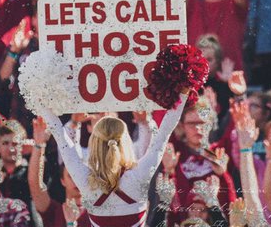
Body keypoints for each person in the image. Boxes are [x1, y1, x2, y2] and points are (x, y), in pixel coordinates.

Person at [40, 93, 190, 225]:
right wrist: (183, 92)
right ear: (126, 141)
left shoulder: (85, 181)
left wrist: (40, 96)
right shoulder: (139, 176)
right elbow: (165, 131)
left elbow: (60, 134)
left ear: (95, 142)